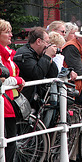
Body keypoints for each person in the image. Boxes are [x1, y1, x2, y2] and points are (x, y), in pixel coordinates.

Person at [14, 27, 58, 111]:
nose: (48, 45)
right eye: (47, 42)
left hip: (36, 99)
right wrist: (47, 56)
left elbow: (53, 74)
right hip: (25, 99)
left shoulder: (40, 53)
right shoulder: (24, 53)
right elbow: (37, 74)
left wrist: (49, 58)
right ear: (38, 41)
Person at [0, 19, 25, 162]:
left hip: (9, 102)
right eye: (7, 32)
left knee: (10, 141)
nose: (11, 34)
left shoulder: (8, 54)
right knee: (7, 142)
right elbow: (3, 80)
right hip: (4, 102)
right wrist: (18, 80)